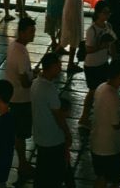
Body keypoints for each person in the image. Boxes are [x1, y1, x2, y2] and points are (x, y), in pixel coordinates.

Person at [31, 52, 70, 188]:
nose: (60, 68)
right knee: (54, 175)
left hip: (40, 136)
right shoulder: (49, 89)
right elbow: (58, 116)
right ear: (52, 67)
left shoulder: (35, 83)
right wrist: (67, 133)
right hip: (52, 139)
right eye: (58, 65)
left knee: (42, 172)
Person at [5, 17, 36, 179]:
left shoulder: (13, 46)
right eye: (31, 32)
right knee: (21, 134)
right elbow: (25, 83)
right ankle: (23, 164)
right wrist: (36, 78)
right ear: (22, 32)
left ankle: (23, 163)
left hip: (14, 97)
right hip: (20, 99)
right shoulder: (21, 53)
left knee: (19, 134)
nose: (33, 35)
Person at [91, 59, 120, 188]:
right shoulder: (113, 96)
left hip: (96, 144)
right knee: (114, 180)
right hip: (109, 148)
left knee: (101, 178)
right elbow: (116, 124)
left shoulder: (101, 87)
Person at [79, 0, 115, 128]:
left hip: (103, 63)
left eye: (108, 12)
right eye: (105, 12)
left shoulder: (108, 27)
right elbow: (88, 49)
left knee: (102, 90)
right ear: (98, 13)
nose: (107, 15)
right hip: (92, 65)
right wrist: (102, 46)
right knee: (93, 91)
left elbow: (112, 43)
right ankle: (84, 117)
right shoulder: (91, 30)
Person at [60, 0, 97, 73]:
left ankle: (56, 55)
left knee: (67, 32)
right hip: (74, 8)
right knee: (74, 34)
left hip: (68, 5)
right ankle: (70, 63)